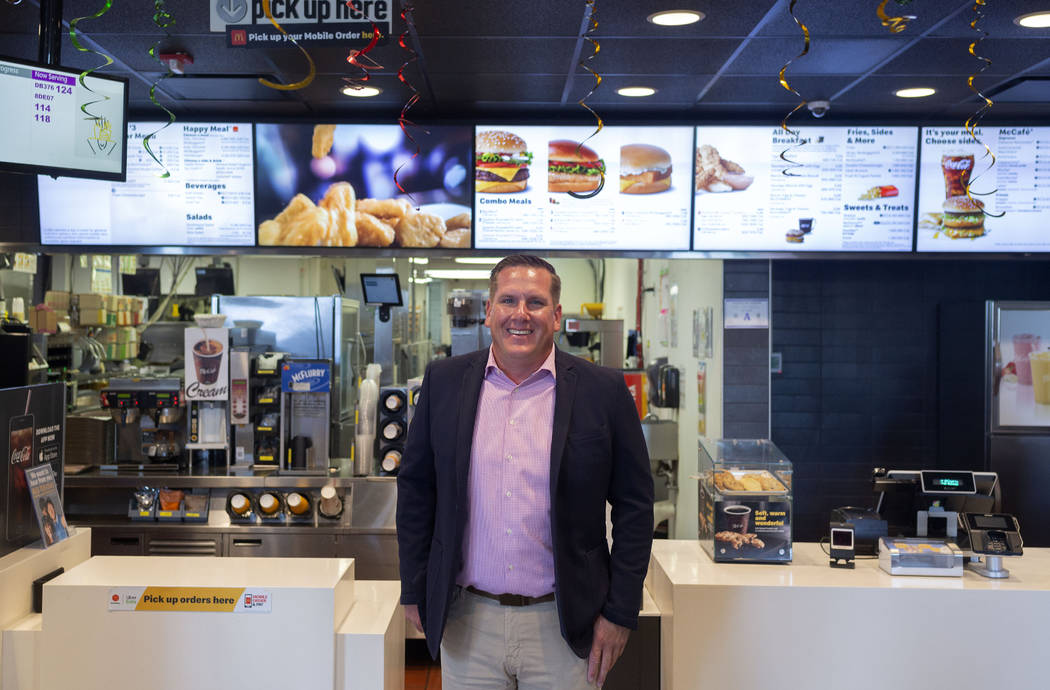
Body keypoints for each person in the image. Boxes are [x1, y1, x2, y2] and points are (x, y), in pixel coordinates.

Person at [397, 255, 654, 689]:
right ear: (488, 312)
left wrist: (620, 611)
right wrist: (413, 587)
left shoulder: (603, 390)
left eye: (535, 302)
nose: (520, 314)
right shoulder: (443, 382)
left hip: (567, 625)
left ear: (555, 316)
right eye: (508, 300)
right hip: (468, 621)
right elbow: (417, 489)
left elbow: (634, 505)